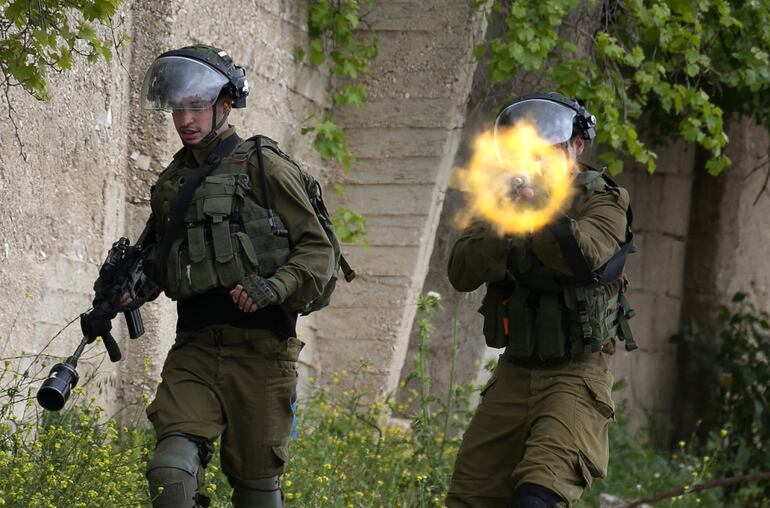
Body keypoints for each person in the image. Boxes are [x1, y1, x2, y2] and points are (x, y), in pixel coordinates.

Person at [136, 45, 335, 507]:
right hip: (196, 350)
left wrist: (275, 286)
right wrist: (132, 291)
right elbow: (164, 264)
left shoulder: (264, 166)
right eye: (178, 107)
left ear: (226, 104)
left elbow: (318, 250)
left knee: (256, 493)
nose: (186, 118)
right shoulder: (172, 182)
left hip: (263, 354)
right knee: (171, 472)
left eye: (198, 106)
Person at [445, 92, 637, 508]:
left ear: (577, 147)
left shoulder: (602, 200)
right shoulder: (504, 200)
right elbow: (461, 272)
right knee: (468, 499)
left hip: (575, 376)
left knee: (537, 499)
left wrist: (541, 211)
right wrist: (503, 220)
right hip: (514, 372)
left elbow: (585, 261)